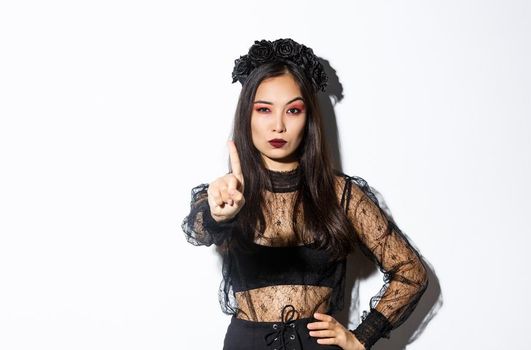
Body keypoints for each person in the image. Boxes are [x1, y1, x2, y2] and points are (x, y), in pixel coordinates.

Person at [181, 38, 429, 350]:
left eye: (293, 110)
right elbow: (199, 228)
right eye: (264, 110)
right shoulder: (228, 192)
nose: (278, 126)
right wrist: (219, 215)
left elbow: (411, 273)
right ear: (247, 116)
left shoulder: (340, 194)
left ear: (308, 118)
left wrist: (361, 339)